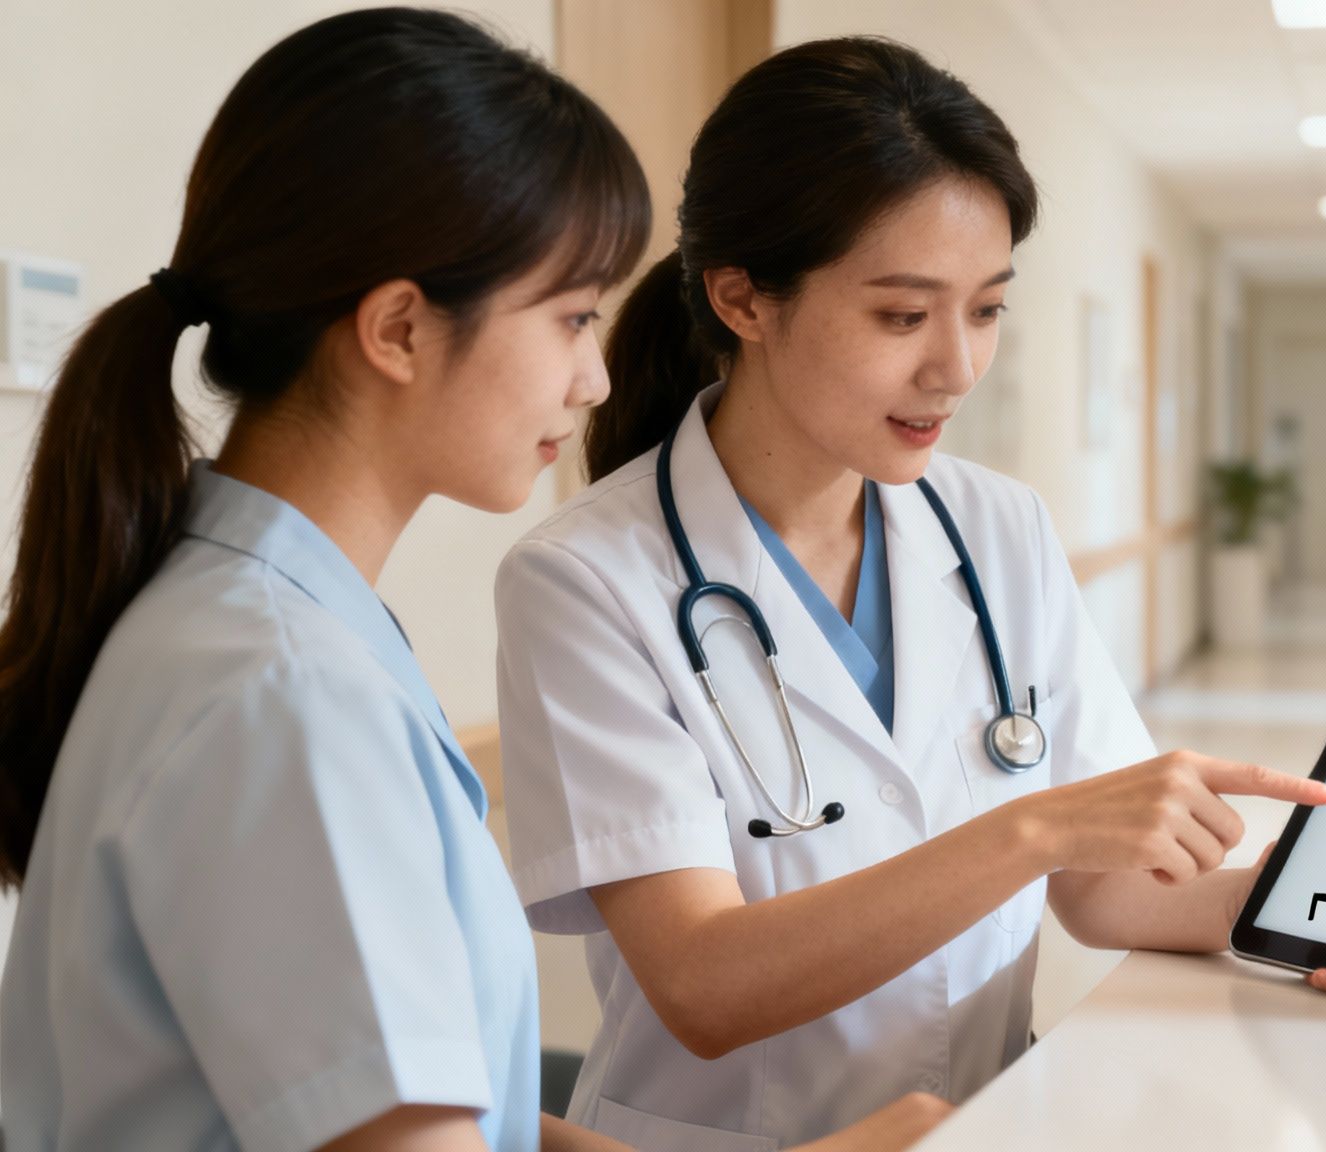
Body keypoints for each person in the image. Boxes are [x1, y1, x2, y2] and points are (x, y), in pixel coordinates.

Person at [0, 11, 944, 1151]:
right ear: (398, 327)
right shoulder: (280, 692)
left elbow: (446, 1118)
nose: (597, 378)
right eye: (571, 318)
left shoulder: (261, 621)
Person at [493, 35, 1326, 1151]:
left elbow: (1106, 892)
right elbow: (704, 985)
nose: (955, 369)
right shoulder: (587, 579)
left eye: (987, 310)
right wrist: (1036, 828)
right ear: (742, 299)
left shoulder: (997, 526)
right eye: (902, 316)